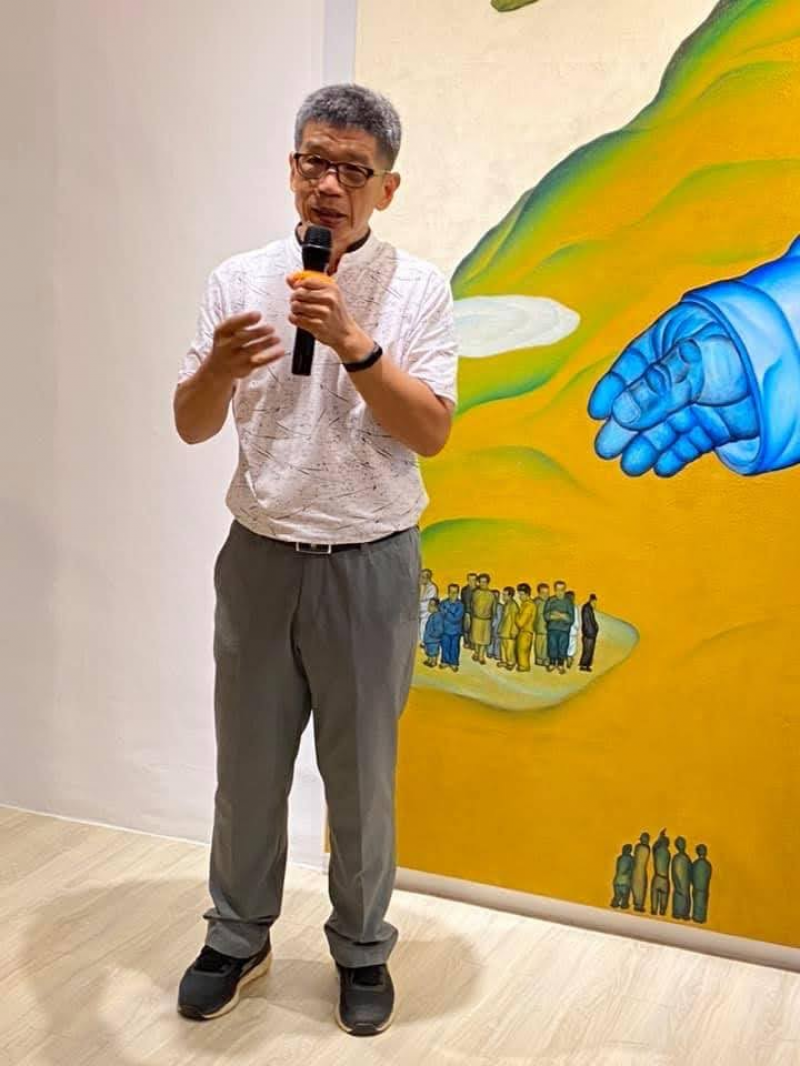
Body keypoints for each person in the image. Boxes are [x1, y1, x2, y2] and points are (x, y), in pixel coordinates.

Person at [173, 84, 458, 1037]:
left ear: (387, 187)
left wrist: (354, 342)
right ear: (291, 168)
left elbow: (431, 432)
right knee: (247, 769)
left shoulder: (417, 288)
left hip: (370, 562)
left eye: (352, 170)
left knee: (362, 776)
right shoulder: (238, 279)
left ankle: (363, 947)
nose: (328, 185)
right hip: (259, 555)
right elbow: (190, 424)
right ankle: (236, 935)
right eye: (314, 162)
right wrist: (217, 368)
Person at [544, 581, 574, 674]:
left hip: (564, 630)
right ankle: (552, 663)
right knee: (552, 646)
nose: (559, 592)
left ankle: (561, 664)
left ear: (564, 590)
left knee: (562, 647)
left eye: (562, 590)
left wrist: (561, 615)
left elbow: (571, 619)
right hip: (552, 629)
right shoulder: (551, 600)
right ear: (555, 590)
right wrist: (554, 616)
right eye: (557, 590)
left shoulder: (568, 602)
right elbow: (546, 615)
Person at [470, 573, 495, 664]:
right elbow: (472, 605)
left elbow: (493, 608)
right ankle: (476, 653)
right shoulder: (475, 593)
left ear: (488, 583)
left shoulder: (491, 595)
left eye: (484, 582)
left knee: (484, 639)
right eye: (481, 582)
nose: (482, 584)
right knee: (476, 638)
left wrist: (492, 618)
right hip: (476, 619)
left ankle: (481, 656)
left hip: (487, 620)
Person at [439, 583, 465, 672]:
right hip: (444, 630)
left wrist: (446, 612)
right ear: (448, 592)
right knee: (445, 646)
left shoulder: (460, 605)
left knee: (454, 647)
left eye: (455, 592)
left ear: (458, 593)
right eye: (451, 592)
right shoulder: (443, 603)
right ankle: (445, 661)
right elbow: (440, 613)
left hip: (456, 631)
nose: (452, 594)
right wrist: (448, 613)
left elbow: (456, 619)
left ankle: (454, 663)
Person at [497, 586, 519, 670]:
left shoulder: (513, 606)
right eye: (503, 594)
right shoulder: (506, 605)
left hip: (509, 632)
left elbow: (515, 620)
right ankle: (504, 661)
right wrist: (500, 629)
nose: (503, 597)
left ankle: (511, 663)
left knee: (510, 648)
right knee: (503, 647)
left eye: (505, 595)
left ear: (510, 596)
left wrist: (514, 631)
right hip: (504, 631)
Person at [515, 584, 535, 672]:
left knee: (522, 651)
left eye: (521, 594)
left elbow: (520, 623)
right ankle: (523, 666)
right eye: (519, 594)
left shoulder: (528, 606)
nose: (520, 597)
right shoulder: (526, 604)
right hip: (525, 632)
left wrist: (516, 615)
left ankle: (523, 667)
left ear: (527, 594)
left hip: (525, 632)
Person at [650, 829, 671, 916]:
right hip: (665, 879)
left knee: (654, 896)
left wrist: (660, 837)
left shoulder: (657, 851)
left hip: (657, 877)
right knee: (664, 899)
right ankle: (662, 911)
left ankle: (654, 910)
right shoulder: (668, 853)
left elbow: (654, 847)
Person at [671, 837, 692, 920]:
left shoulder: (686, 858)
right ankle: (678, 913)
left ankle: (684, 914)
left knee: (685, 896)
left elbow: (690, 871)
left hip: (685, 884)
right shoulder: (677, 858)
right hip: (679, 885)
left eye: (682, 843)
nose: (682, 845)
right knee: (680, 896)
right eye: (680, 843)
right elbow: (673, 871)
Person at [691, 845, 713, 924]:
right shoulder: (708, 864)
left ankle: (696, 918)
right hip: (705, 889)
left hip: (696, 889)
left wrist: (694, 884)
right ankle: (701, 919)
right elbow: (709, 876)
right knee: (703, 904)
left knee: (697, 904)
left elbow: (691, 876)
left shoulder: (695, 863)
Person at [631, 831, 651, 914]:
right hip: (641, 871)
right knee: (640, 888)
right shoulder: (647, 848)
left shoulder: (638, 847)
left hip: (636, 870)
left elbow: (635, 857)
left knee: (637, 887)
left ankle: (637, 904)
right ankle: (639, 905)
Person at [418, 569, 438, 647]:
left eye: (422, 577)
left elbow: (429, 601)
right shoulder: (421, 586)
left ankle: (424, 642)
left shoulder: (432, 588)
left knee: (424, 626)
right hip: (421, 611)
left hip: (428, 612)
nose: (421, 579)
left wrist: (418, 604)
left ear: (427, 578)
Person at [611, 844, 634, 909]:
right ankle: (623, 905)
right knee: (625, 898)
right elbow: (631, 870)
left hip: (617, 880)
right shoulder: (631, 859)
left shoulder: (619, 858)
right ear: (630, 851)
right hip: (625, 882)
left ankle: (615, 904)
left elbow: (617, 869)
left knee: (617, 896)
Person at [579, 594, 599, 671]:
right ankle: (584, 665)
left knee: (589, 650)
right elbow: (587, 623)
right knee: (587, 650)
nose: (595, 604)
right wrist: (591, 633)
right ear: (591, 601)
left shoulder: (589, 608)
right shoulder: (587, 609)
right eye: (594, 602)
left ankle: (586, 665)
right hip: (589, 635)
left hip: (590, 634)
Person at [422, 599, 444, 667]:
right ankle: (429, 660)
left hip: (433, 640)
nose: (428, 607)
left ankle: (433, 662)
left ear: (436, 607)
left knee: (433, 652)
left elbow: (439, 630)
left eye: (431, 605)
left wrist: (433, 635)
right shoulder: (432, 616)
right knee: (429, 651)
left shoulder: (438, 616)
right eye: (429, 605)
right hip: (429, 639)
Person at [533, 583, 550, 666]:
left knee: (547, 645)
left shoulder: (551, 602)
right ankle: (539, 659)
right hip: (539, 628)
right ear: (539, 593)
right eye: (543, 593)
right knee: (539, 645)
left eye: (547, 593)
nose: (545, 595)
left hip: (548, 628)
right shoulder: (535, 602)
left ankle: (546, 659)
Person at [460, 572, 478, 650]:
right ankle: (466, 643)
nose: (471, 582)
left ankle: (473, 644)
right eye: (470, 580)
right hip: (466, 612)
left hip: (476, 613)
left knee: (475, 630)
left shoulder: (479, 589)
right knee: (466, 629)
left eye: (473, 580)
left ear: (476, 580)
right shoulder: (464, 590)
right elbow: (462, 601)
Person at [566, 589, 579, 668]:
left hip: (565, 631)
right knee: (572, 645)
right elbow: (576, 621)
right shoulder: (574, 608)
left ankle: (567, 658)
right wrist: (577, 628)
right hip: (572, 631)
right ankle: (569, 658)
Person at [488, 589, 503, 660]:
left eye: (497, 596)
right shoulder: (488, 605)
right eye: (494, 596)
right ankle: (490, 652)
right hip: (490, 625)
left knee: (497, 640)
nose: (496, 598)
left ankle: (497, 654)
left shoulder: (500, 606)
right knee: (490, 639)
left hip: (498, 626)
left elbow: (500, 617)